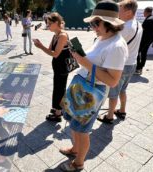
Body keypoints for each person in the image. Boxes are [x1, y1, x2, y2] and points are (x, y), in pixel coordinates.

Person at [59, 1, 128, 171]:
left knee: (82, 130)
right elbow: (92, 60)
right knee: (74, 123)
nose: (93, 27)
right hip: (82, 85)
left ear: (110, 23)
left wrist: (84, 62)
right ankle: (75, 149)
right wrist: (79, 57)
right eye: (92, 23)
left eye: (96, 23)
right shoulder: (103, 37)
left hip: (92, 92)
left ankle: (79, 163)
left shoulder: (117, 46)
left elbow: (112, 81)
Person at [99, 0, 143, 124]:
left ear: (128, 12)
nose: (117, 12)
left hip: (121, 65)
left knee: (113, 93)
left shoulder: (125, 27)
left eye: (120, 9)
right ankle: (122, 110)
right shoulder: (138, 24)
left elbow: (111, 44)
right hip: (132, 63)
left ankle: (109, 116)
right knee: (122, 90)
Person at [33, 12, 70, 122]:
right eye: (47, 24)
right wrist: (41, 46)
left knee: (60, 88)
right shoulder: (56, 35)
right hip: (57, 65)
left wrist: (40, 46)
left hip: (62, 66)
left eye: (49, 24)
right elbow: (50, 50)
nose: (47, 26)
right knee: (57, 86)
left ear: (57, 23)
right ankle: (57, 108)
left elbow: (55, 54)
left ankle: (58, 113)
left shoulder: (63, 35)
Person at [135, 6, 153, 75]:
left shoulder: (149, 20)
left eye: (144, 12)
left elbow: (142, 29)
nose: (143, 13)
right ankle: (140, 68)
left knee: (137, 53)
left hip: (145, 40)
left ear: (147, 12)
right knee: (143, 53)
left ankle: (139, 68)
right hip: (148, 40)